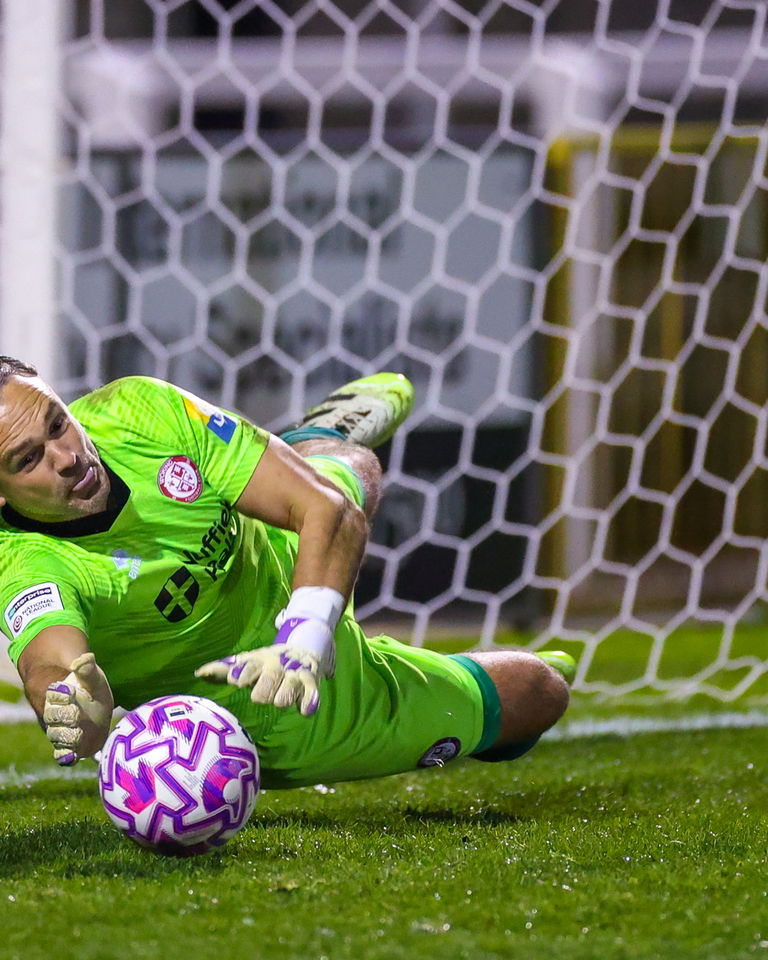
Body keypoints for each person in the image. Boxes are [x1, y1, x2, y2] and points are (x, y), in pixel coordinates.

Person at [0, 356, 572, 788]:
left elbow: (329, 512)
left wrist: (304, 633)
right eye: (28, 460)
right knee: (540, 692)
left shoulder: (139, 411)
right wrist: (75, 705)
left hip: (285, 558)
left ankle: (316, 443)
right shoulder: (24, 563)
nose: (68, 456)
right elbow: (49, 663)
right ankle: (439, 680)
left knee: (347, 476)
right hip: (274, 715)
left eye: (58, 422)